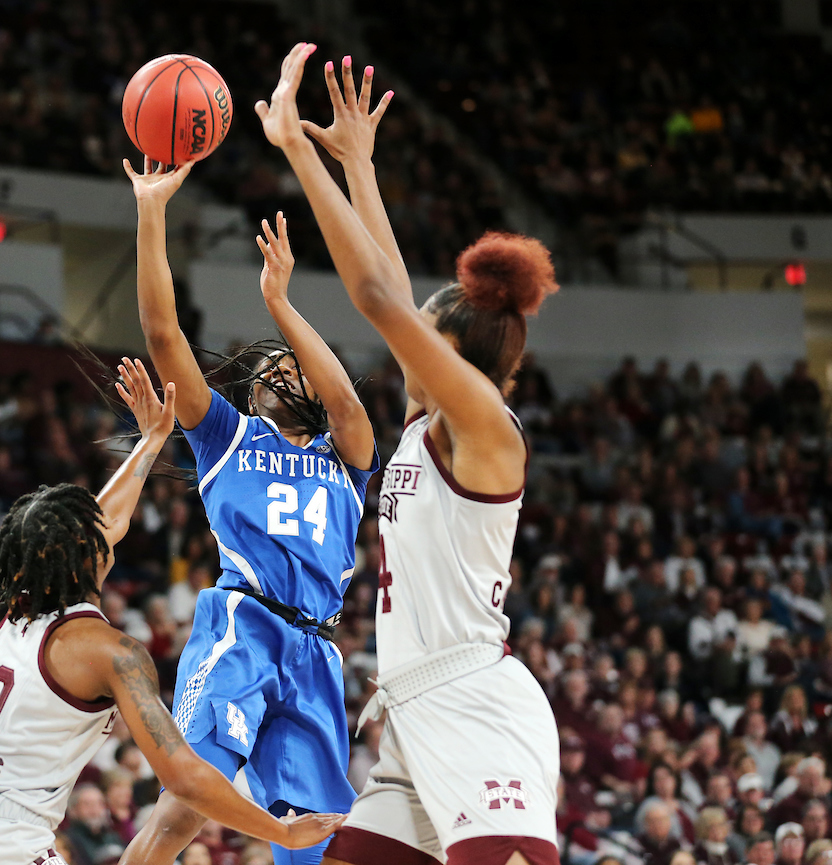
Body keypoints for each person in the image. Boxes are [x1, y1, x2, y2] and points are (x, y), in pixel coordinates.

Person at [256, 45, 561, 865]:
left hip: (477, 707)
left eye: (427, 341)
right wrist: (359, 165)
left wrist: (294, 149)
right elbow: (389, 280)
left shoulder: (490, 432)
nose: (408, 351)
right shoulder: (428, 422)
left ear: (453, 357)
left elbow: (377, 296)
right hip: (413, 713)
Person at [0, 359, 344, 864]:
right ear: (88, 555)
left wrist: (151, 440)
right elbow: (186, 779)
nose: (108, 527)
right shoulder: (112, 652)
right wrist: (282, 831)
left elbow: (107, 515)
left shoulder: (20, 614)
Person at [120, 109, 377, 865]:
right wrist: (151, 213)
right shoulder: (228, 434)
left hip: (317, 649)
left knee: (315, 843)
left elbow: (352, 406)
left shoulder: (345, 454)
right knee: (186, 802)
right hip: (245, 626)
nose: (273, 369)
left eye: (285, 364)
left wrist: (282, 306)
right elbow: (165, 337)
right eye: (263, 365)